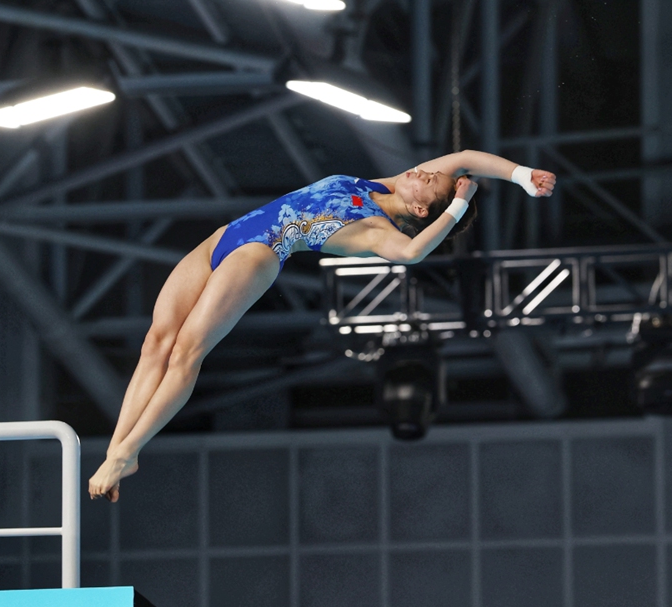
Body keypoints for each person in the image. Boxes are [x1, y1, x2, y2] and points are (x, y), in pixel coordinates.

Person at [88, 150, 556, 501]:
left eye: (427, 182)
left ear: (420, 211)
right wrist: (520, 176)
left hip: (259, 253)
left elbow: (414, 254)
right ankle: (118, 451)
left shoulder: (380, 230)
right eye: (426, 171)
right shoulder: (379, 184)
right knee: (156, 343)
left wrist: (456, 207)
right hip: (223, 238)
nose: (420, 171)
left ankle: (128, 454)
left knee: (187, 352)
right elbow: (468, 158)